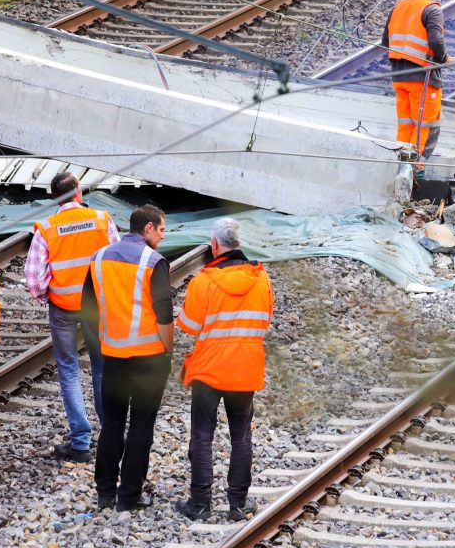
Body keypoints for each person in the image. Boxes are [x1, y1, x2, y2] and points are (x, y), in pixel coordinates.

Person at [173, 217, 272, 523]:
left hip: (209, 368)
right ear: (238, 243)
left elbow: (188, 326)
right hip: (245, 369)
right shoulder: (262, 279)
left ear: (215, 245)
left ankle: (201, 503)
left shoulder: (203, 281)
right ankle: (238, 504)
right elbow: (265, 322)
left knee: (203, 435)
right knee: (241, 435)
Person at [80, 204, 176, 513]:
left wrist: (106, 338)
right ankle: (129, 496)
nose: (163, 235)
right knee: (140, 427)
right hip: (149, 357)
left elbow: (88, 308)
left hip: (113, 356)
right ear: (147, 228)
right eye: (161, 229)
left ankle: (105, 492)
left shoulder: (99, 258)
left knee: (112, 423)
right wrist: (168, 349)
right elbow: (164, 312)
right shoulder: (153, 261)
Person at [26, 171, 118, 462]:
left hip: (63, 308)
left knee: (68, 370)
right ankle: (111, 435)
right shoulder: (102, 219)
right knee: (102, 369)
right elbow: (117, 261)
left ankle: (80, 443)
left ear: (55, 198)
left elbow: (34, 280)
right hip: (96, 306)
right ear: (79, 193)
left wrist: (49, 297)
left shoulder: (46, 228)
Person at [383, 0, 449, 171]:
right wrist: (444, 58)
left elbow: (385, 41)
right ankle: (414, 171)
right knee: (425, 127)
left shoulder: (398, 6)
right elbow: (436, 41)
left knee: (406, 124)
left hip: (398, 77)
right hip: (423, 79)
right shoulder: (432, 9)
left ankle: (399, 166)